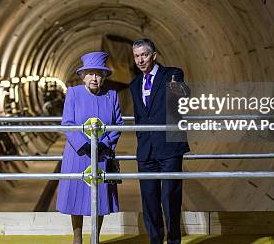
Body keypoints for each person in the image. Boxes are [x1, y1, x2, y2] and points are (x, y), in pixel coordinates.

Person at [56, 51, 124, 244]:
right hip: (78, 153)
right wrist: (85, 145)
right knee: (76, 196)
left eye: (99, 74)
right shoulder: (73, 94)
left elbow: (118, 124)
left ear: (104, 77)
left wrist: (104, 144)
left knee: (100, 197)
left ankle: (96, 236)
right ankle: (77, 238)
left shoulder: (112, 95)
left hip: (102, 154)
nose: (95, 78)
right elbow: (67, 123)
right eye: (91, 73)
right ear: (83, 76)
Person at [129, 39, 190, 244]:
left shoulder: (172, 74)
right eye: (137, 56)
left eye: (144, 55)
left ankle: (173, 240)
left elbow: (180, 103)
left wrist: (177, 90)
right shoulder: (135, 84)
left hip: (169, 148)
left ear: (154, 55)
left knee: (170, 198)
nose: (140, 60)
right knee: (149, 199)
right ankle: (155, 240)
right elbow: (140, 116)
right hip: (146, 151)